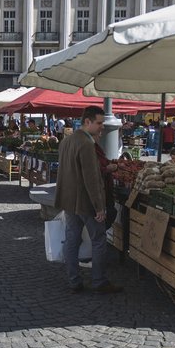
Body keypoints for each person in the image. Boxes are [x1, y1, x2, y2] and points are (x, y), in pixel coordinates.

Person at [54, 106, 122, 294]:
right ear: (87, 122)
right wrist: (99, 207)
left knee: (72, 238)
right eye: (99, 123)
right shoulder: (86, 144)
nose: (102, 127)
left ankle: (74, 280)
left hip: (69, 199)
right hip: (84, 201)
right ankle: (99, 281)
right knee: (99, 239)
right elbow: (91, 178)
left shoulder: (67, 141)